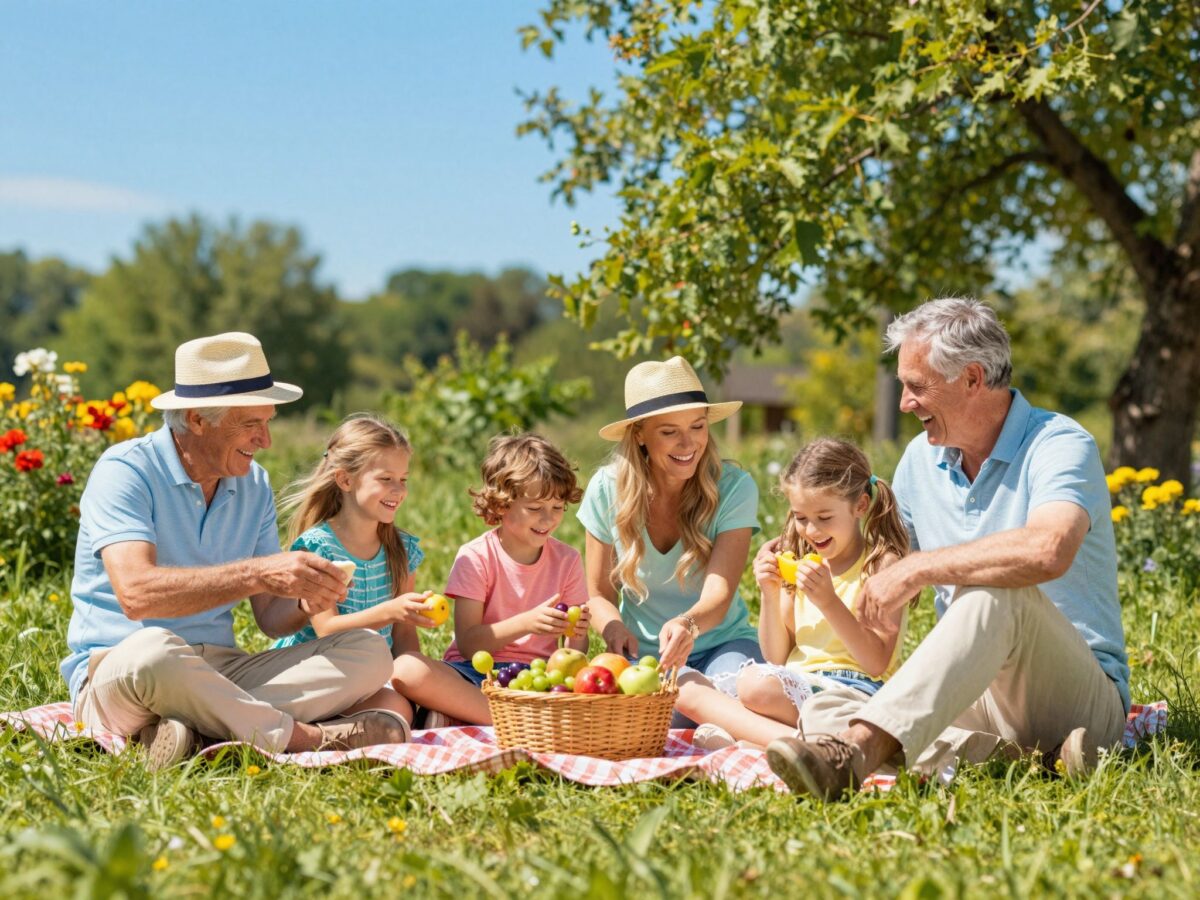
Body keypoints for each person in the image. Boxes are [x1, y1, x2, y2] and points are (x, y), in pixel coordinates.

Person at [765, 298, 1130, 800]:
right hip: (972, 691)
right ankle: (1037, 760)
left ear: (972, 378)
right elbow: (880, 561)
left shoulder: (1059, 443)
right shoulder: (920, 460)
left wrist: (920, 567)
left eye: (916, 386)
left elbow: (1049, 549)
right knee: (825, 707)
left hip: (1075, 697)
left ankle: (853, 756)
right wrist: (803, 544)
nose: (904, 403)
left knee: (993, 590)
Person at [62, 332, 407, 772]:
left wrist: (306, 598)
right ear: (197, 420)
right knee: (154, 650)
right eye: (250, 424)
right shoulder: (126, 471)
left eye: (268, 421)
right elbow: (137, 595)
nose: (266, 440)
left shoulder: (253, 483)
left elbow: (270, 618)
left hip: (223, 670)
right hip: (122, 670)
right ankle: (308, 738)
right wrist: (258, 573)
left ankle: (195, 732)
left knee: (369, 652)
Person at [678, 438, 911, 749]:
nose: (811, 531)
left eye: (824, 518)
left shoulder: (881, 565)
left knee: (753, 686)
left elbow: (876, 662)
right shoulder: (800, 564)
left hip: (855, 692)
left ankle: (760, 738)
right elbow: (777, 656)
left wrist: (828, 602)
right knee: (691, 687)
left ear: (860, 506)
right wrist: (770, 593)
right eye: (801, 518)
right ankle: (792, 743)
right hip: (797, 685)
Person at [577, 356, 763, 708]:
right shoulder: (606, 489)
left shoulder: (734, 487)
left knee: (736, 696)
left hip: (722, 645)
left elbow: (719, 595)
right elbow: (599, 593)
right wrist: (613, 628)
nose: (688, 443)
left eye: (698, 426)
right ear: (639, 434)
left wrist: (687, 624)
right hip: (645, 659)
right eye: (669, 432)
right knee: (664, 714)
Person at [389, 433, 591, 725]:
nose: (548, 519)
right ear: (501, 505)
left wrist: (578, 634)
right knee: (407, 669)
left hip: (537, 680)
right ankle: (514, 721)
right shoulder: (476, 556)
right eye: (535, 509)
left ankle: (464, 716)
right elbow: (469, 644)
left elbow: (574, 655)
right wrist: (526, 623)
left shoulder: (567, 560)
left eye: (557, 508)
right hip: (474, 673)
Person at [271, 414, 439, 725]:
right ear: (345, 480)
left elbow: (404, 635)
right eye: (386, 479)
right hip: (316, 673)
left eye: (403, 479)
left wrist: (413, 685)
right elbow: (326, 628)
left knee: (400, 707)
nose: (399, 490)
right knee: (394, 710)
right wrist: (391, 611)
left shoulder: (401, 550)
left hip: (368, 676)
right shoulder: (319, 547)